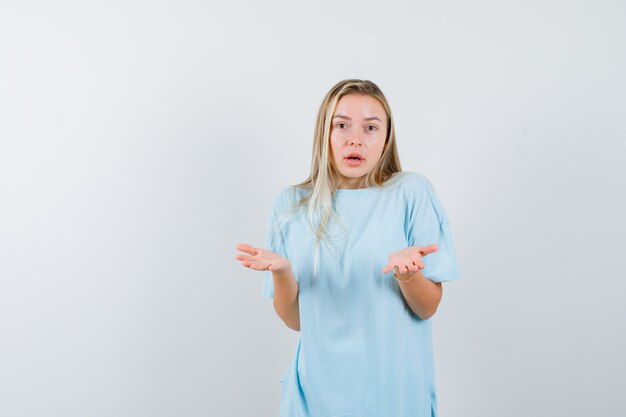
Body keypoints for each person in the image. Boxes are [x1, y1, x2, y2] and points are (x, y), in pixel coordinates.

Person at [235, 79, 460, 417]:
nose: (355, 139)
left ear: (386, 139)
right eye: (341, 125)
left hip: (392, 395)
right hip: (316, 395)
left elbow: (427, 307)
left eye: (371, 127)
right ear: (324, 133)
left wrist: (407, 275)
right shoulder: (292, 205)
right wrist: (283, 273)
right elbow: (297, 320)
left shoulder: (411, 193)